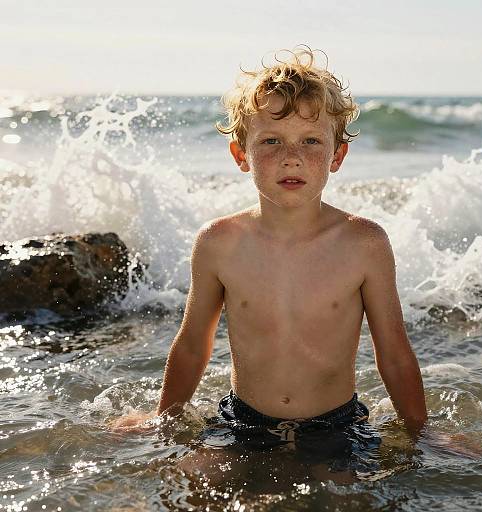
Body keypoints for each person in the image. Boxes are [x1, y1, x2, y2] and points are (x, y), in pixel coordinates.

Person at [110, 46, 451, 482]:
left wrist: (421, 431)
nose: (291, 157)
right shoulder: (219, 242)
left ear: (336, 156)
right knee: (187, 484)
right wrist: (166, 417)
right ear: (241, 154)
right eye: (271, 141)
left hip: (337, 424)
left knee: (354, 496)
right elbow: (194, 342)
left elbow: (394, 352)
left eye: (310, 141)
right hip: (243, 422)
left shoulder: (364, 243)